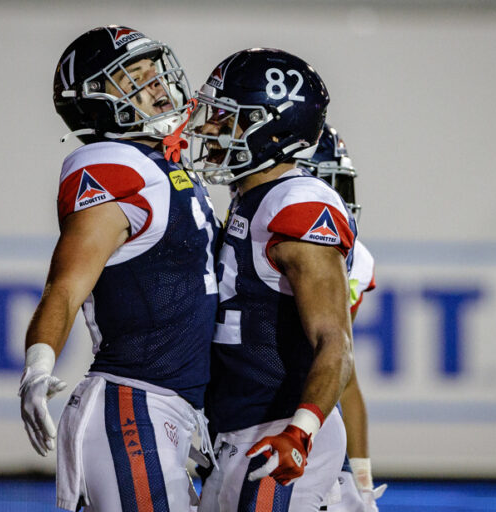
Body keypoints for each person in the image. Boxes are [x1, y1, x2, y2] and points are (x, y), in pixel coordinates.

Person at [18, 26, 218, 512]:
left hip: (172, 412)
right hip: (133, 407)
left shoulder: (168, 165)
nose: (156, 87)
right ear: (95, 100)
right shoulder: (111, 165)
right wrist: (38, 365)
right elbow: (64, 286)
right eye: (133, 77)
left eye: (154, 74)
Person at [189, 48, 356, 511]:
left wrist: (300, 431)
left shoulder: (298, 204)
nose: (206, 128)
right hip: (236, 435)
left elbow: (335, 342)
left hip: (279, 433)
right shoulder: (249, 197)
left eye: (226, 118)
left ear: (271, 127)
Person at [297, 124, 387, 512]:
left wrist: (362, 479)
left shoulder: (356, 261)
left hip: (307, 424)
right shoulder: (244, 245)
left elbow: (344, 378)